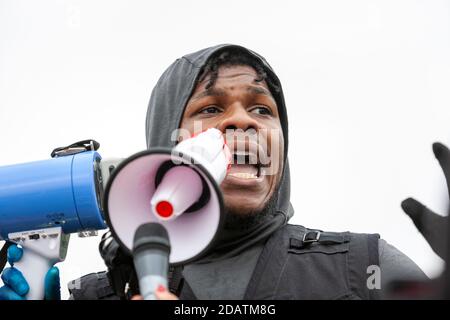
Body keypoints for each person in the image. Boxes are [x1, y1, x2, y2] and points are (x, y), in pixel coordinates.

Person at [1, 44, 439, 300]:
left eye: (262, 109)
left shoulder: (364, 271)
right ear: (165, 142)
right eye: (210, 108)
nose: (243, 121)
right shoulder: (97, 294)